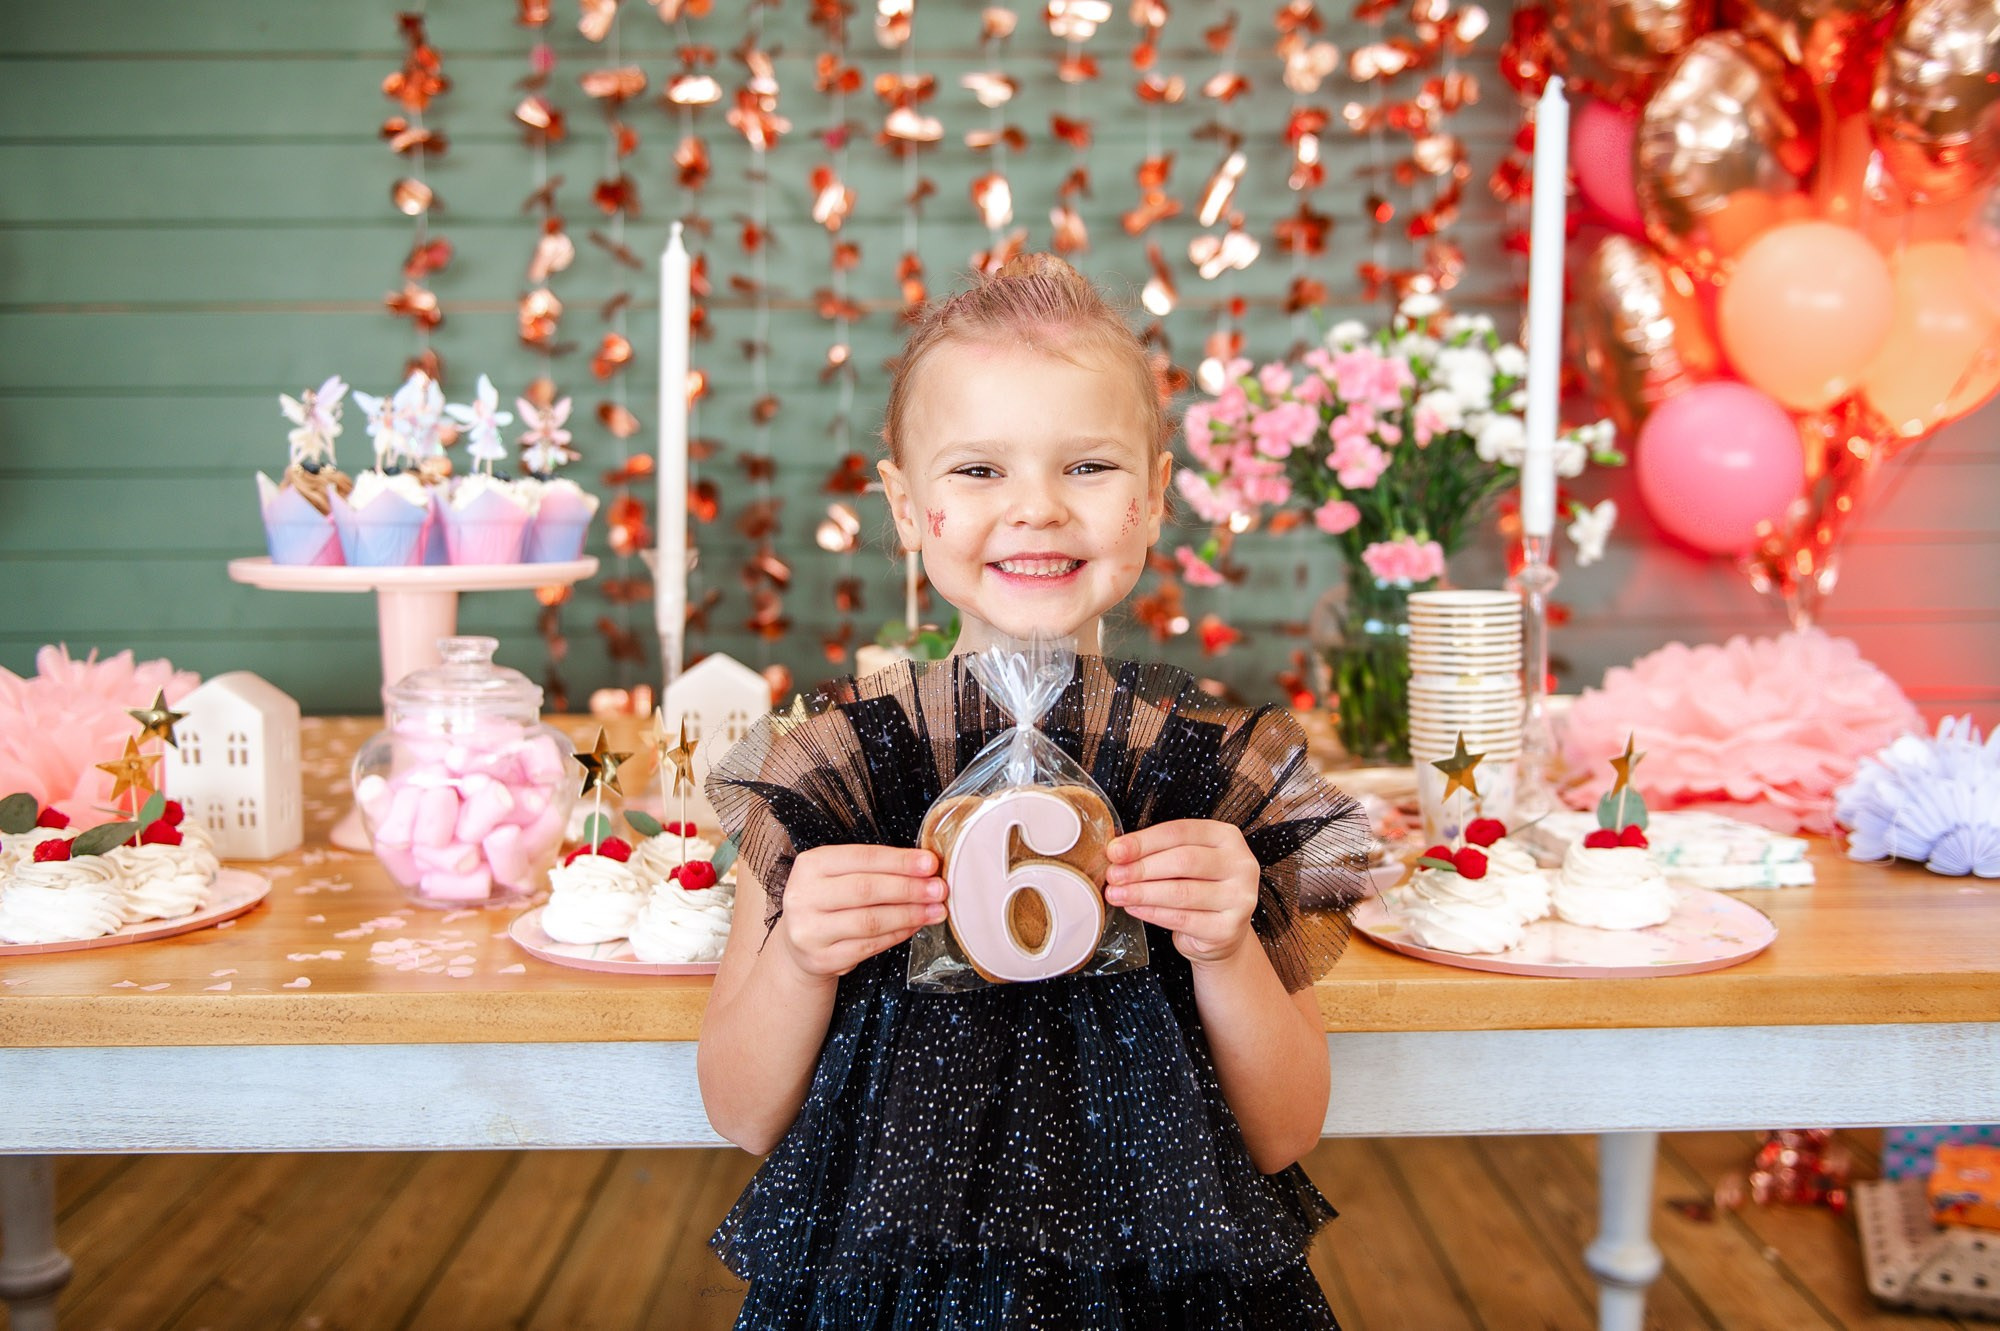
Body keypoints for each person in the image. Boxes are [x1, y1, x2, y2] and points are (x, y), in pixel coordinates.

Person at [696, 253, 1368, 1329]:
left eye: (1088, 466)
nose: (1037, 509)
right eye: (976, 472)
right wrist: (800, 955)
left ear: (1152, 498)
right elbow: (738, 1109)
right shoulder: (830, 772)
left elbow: (1285, 1128)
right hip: (892, 1292)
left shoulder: (1215, 777)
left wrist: (1226, 944)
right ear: (905, 507)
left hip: (1163, 1293)